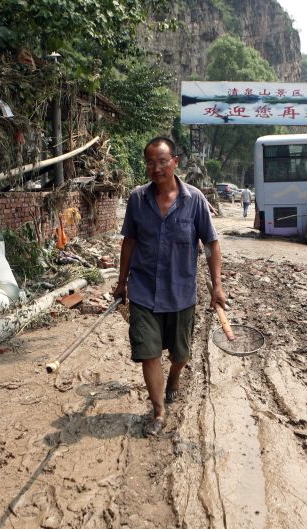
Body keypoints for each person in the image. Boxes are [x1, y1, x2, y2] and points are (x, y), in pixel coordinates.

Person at [113, 136, 226, 437]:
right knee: (149, 352)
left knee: (181, 355)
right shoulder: (137, 199)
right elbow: (130, 241)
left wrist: (217, 286)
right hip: (143, 291)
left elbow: (212, 244)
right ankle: (159, 410)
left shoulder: (195, 200)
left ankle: (175, 377)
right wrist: (121, 282)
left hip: (181, 293)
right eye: (150, 162)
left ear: (175, 162)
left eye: (163, 161)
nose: (156, 167)